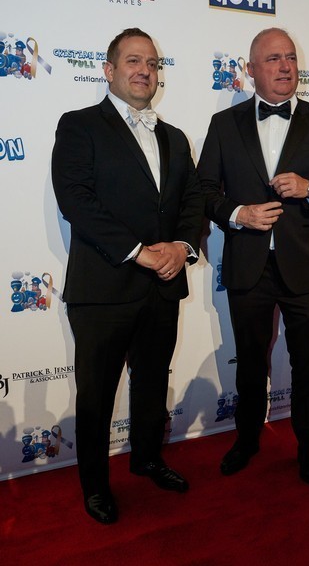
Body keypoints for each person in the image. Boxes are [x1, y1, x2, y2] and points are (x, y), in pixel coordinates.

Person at [198, 28, 309, 487]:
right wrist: (239, 214)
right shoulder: (224, 125)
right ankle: (247, 440)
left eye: (290, 57)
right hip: (247, 266)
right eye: (273, 59)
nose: (285, 66)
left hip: (304, 267)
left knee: (308, 366)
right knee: (250, 365)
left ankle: (308, 448)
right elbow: (204, 192)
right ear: (250, 69)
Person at [52, 28, 203, 524]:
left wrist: (181, 248)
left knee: (152, 383)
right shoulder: (80, 125)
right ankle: (96, 486)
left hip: (163, 285)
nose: (145, 71)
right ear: (109, 70)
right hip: (104, 288)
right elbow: (76, 200)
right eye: (134, 61)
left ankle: (148, 459)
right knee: (97, 395)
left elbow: (192, 202)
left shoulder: (175, 137)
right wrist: (139, 253)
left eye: (153, 63)